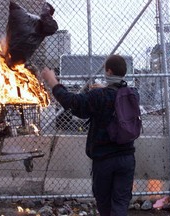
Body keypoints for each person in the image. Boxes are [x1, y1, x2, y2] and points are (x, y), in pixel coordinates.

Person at [41, 55, 136, 216]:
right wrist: (103, 89)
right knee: (121, 202)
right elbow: (114, 96)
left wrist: (53, 82)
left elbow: (73, 102)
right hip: (127, 157)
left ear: (109, 71)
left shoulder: (99, 97)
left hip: (104, 159)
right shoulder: (132, 93)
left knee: (104, 202)